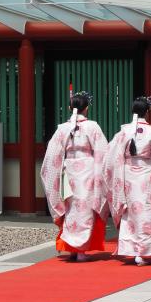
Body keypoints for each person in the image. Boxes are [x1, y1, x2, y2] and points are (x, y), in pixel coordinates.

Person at [104, 96, 151, 266]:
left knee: (129, 212)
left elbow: (109, 156)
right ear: (147, 112)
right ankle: (144, 252)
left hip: (127, 177)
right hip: (146, 176)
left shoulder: (123, 132)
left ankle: (130, 249)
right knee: (146, 211)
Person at [41, 91, 108, 260]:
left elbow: (52, 156)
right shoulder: (92, 126)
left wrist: (55, 175)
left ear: (70, 108)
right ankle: (81, 250)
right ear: (87, 108)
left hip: (67, 170)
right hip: (88, 169)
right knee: (84, 208)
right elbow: (102, 152)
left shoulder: (62, 128)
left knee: (70, 208)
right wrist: (101, 175)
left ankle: (73, 248)